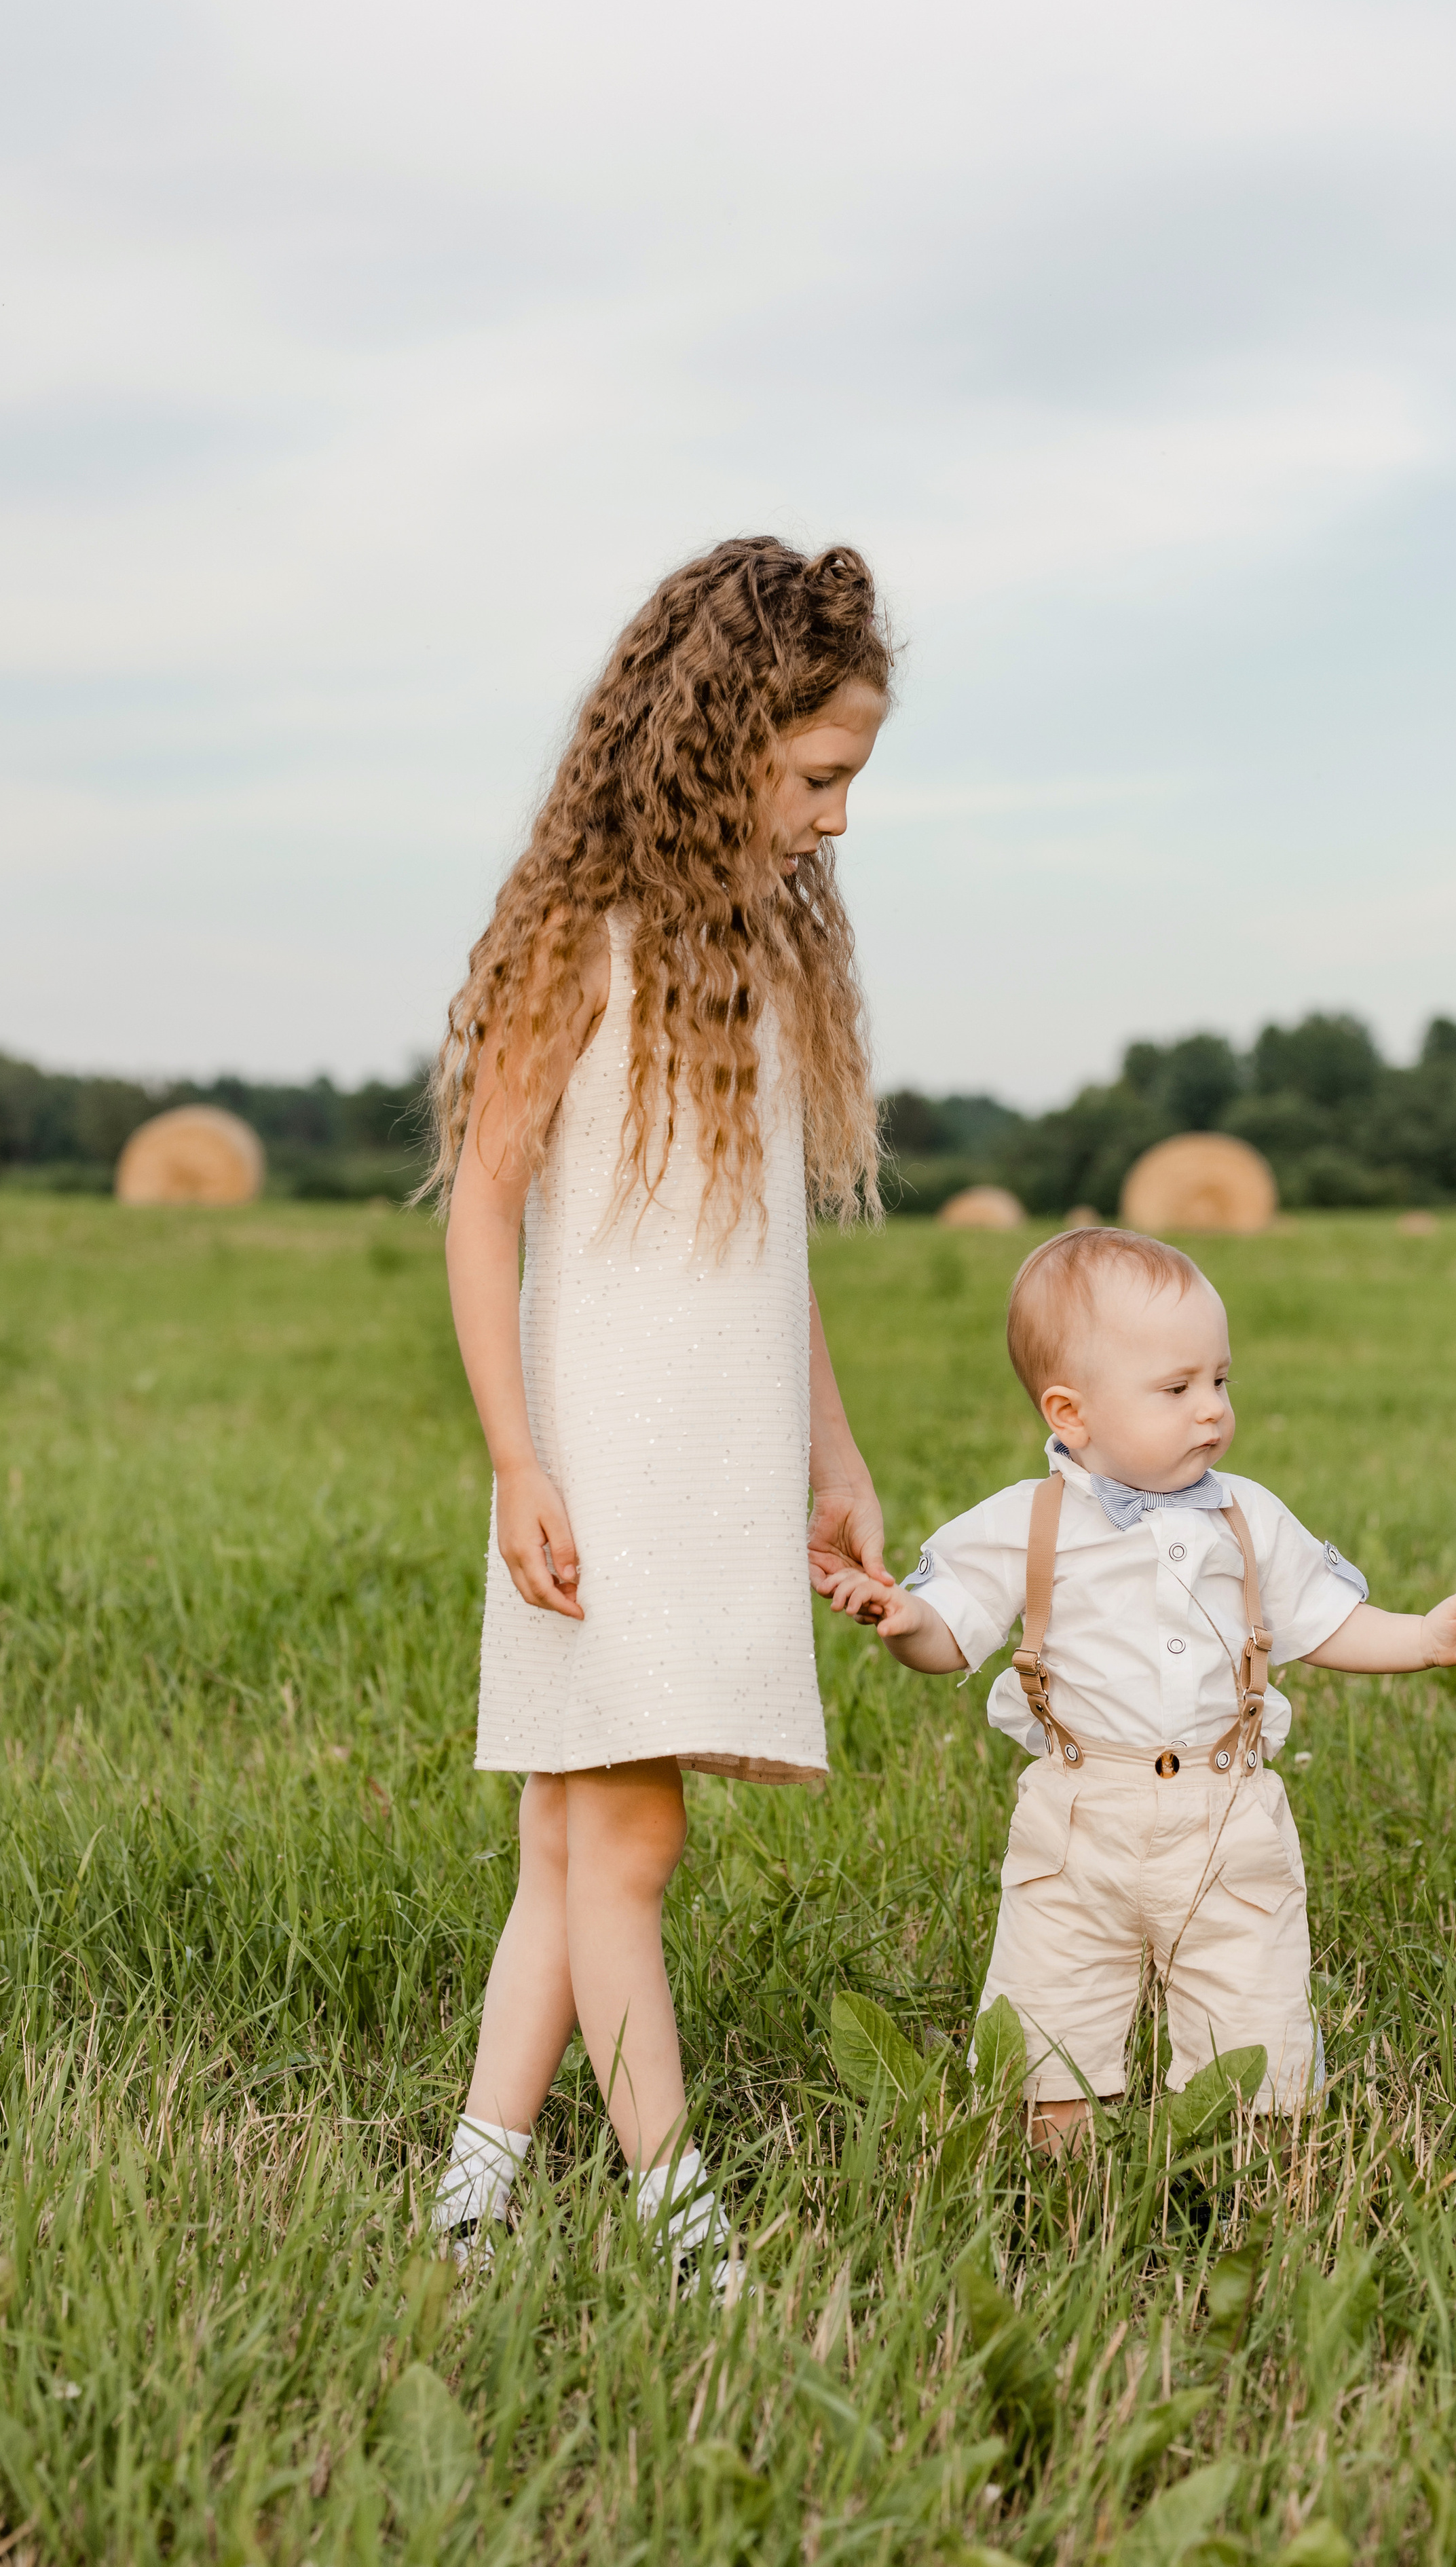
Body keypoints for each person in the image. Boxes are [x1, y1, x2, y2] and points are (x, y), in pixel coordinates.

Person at [426, 538, 895, 2270]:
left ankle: (471, 2203)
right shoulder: (588, 939)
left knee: (570, 1845)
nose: (837, 818)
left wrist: (832, 1456)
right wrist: (515, 1459)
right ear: (719, 741)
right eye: (819, 777)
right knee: (628, 1837)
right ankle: (683, 2227)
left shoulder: (750, 955)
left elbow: (763, 1252)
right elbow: (481, 1205)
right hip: (602, 1468)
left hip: (707, 1467)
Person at [823, 1226, 1456, 2150]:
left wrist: (1427, 1639)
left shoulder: (1248, 1515)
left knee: (1257, 2028)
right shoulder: (1025, 1522)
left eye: (1220, 1381)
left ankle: (1260, 2180)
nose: (1212, 1412)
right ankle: (1064, 2186)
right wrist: (905, 1619)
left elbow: (1326, 1621)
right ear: (1070, 1413)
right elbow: (950, 1633)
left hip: (1227, 1813)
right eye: (1178, 1388)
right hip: (1079, 1819)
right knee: (1050, 2026)